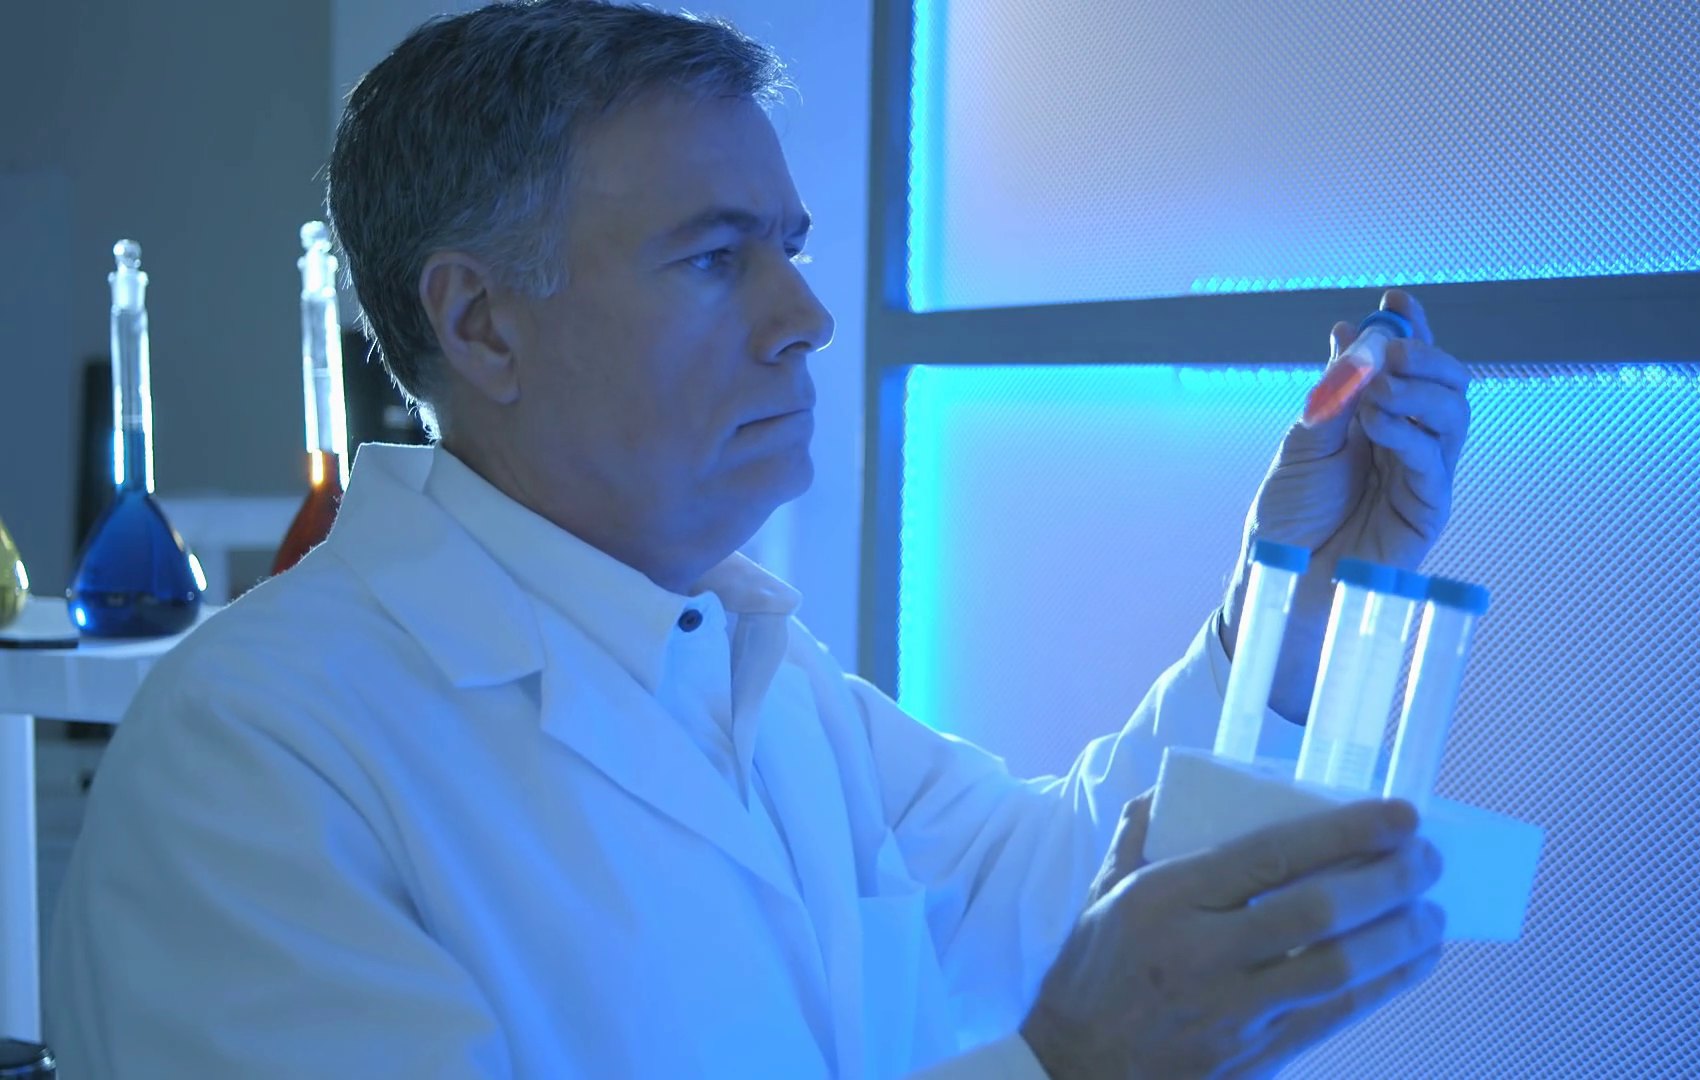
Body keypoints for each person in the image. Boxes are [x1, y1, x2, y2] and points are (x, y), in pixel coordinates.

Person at [45, 3, 1474, 1077]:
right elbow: (1076, 1011)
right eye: (715, 257)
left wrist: (1299, 607)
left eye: (786, 247)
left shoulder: (757, 676)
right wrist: (1070, 1068)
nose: (806, 317)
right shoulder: (256, 754)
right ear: (483, 323)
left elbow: (1054, 896)